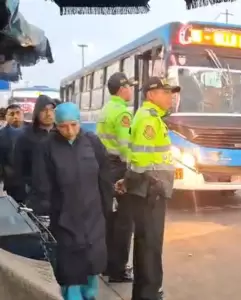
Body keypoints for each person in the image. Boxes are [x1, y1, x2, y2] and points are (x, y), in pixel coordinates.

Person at [32, 102, 113, 300]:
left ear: (80, 122)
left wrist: (107, 207)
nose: (69, 131)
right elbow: (42, 185)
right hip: (65, 221)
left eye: (74, 125)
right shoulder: (46, 148)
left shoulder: (92, 143)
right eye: (63, 126)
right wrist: (46, 213)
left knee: (92, 270)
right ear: (56, 126)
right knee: (71, 276)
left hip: (93, 218)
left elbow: (104, 177)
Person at [115, 77, 180, 300]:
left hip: (147, 188)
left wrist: (127, 180)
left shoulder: (151, 117)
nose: (170, 96)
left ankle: (145, 293)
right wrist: (134, 181)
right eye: (166, 92)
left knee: (146, 242)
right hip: (150, 190)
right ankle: (149, 294)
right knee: (150, 245)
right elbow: (141, 161)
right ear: (151, 95)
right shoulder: (149, 119)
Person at [96, 72, 135, 282]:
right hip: (119, 167)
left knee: (109, 219)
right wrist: (132, 172)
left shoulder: (105, 109)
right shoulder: (122, 113)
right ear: (122, 89)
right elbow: (125, 147)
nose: (132, 90)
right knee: (124, 220)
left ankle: (106, 265)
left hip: (105, 167)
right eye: (130, 86)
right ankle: (118, 270)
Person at [14, 95, 56, 201]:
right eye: (44, 110)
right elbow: (19, 168)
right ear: (37, 113)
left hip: (58, 193)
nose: (48, 113)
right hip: (35, 194)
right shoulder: (26, 137)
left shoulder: (60, 134)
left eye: (51, 109)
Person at [0, 104, 27, 201]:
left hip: (34, 181)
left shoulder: (33, 131)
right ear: (6, 117)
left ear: (23, 114)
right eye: (11, 114)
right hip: (13, 183)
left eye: (18, 113)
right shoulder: (1, 135)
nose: (15, 116)